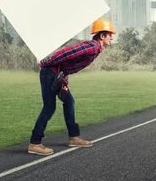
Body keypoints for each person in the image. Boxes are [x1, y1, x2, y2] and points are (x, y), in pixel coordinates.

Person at [27, 18, 115, 156]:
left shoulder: (96, 49)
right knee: (49, 107)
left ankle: (74, 137)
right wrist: (45, 62)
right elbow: (67, 53)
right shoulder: (92, 47)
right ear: (102, 36)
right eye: (110, 34)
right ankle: (35, 143)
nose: (112, 37)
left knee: (69, 102)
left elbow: (70, 62)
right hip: (49, 73)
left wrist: (64, 76)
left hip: (57, 75)